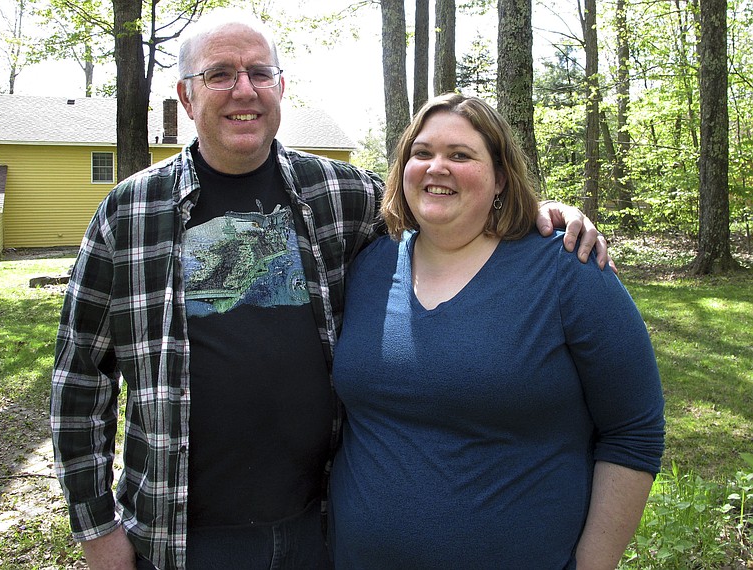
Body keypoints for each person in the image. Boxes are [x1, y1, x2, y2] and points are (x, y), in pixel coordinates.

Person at [50, 10, 611, 570]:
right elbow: (79, 383)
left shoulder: (339, 193)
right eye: (220, 74)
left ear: (280, 87)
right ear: (186, 95)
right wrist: (98, 532)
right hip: (184, 537)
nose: (243, 90)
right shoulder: (129, 214)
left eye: (259, 73)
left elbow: (438, 204)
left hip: (320, 528)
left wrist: (529, 211)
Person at [328, 93, 665, 570]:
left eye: (460, 155)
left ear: (501, 177)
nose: (436, 167)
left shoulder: (567, 268)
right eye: (421, 153)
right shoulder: (369, 265)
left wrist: (594, 564)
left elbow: (634, 431)